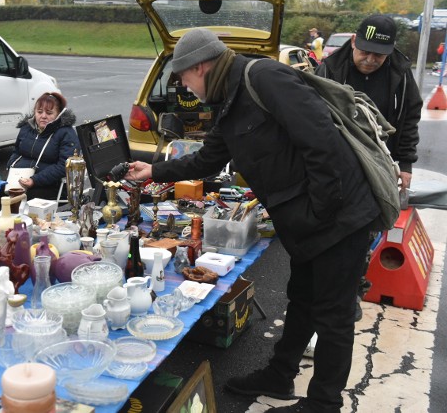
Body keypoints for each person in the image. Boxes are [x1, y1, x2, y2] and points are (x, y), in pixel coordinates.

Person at [125, 28, 380, 413]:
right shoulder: (227, 100)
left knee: (333, 317)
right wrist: (154, 170)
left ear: (203, 66)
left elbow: (321, 141)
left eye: (185, 77)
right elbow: (207, 159)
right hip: (309, 221)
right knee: (303, 300)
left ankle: (324, 403)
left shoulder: (263, 77)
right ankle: (280, 375)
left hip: (341, 217)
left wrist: (320, 214)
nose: (184, 87)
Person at [315, 15, 422, 320]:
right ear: (353, 41)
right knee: (330, 229)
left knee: (366, 229)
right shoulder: (329, 69)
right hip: (336, 164)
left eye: (378, 54)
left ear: (390, 51)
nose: (370, 59)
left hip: (379, 163)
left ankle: (352, 289)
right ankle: (326, 290)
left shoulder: (400, 75)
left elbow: (409, 118)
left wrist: (405, 162)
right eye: (364, 51)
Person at [6, 92, 79, 200]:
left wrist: (34, 180)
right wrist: (11, 166)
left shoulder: (66, 133)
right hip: (20, 178)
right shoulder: (26, 128)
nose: (43, 116)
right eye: (39, 112)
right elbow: (17, 151)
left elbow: (64, 166)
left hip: (51, 184)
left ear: (58, 114)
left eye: (49, 113)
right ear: (34, 112)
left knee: (25, 197)